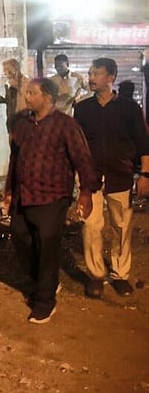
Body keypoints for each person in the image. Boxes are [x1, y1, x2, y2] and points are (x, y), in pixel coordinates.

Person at [5, 78, 98, 324]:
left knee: (47, 244)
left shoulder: (66, 125)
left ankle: (45, 302)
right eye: (26, 92)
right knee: (20, 235)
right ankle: (46, 281)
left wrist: (86, 191)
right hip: (25, 194)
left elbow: (82, 158)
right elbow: (15, 160)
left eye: (32, 93)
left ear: (47, 97)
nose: (26, 97)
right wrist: (9, 191)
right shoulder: (23, 125)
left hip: (53, 195)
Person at [74, 58, 149, 298]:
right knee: (90, 226)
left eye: (96, 73)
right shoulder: (83, 109)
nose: (91, 77)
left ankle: (119, 274)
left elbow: (143, 144)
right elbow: (77, 145)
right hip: (90, 176)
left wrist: (145, 174)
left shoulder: (129, 109)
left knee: (122, 226)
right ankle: (95, 276)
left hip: (121, 175)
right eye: (90, 73)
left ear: (111, 77)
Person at [0, 58, 29, 133]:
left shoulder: (24, 82)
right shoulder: (8, 83)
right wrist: (2, 100)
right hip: (11, 117)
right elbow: (10, 100)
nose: (4, 72)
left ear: (13, 69)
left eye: (6, 69)